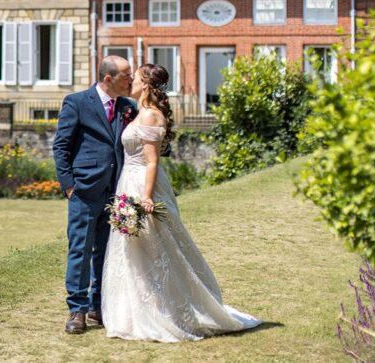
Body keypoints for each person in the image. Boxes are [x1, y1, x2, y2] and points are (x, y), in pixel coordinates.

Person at [100, 63, 262, 341]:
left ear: (147, 85)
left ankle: (168, 311)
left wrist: (147, 197)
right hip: (129, 181)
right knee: (135, 249)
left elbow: (152, 162)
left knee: (157, 247)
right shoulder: (140, 112)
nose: (131, 83)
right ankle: (133, 311)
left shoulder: (151, 116)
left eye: (136, 79)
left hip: (143, 185)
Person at [52, 55, 137, 335]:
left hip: (116, 190)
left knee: (106, 251)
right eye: (127, 75)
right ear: (108, 78)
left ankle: (97, 306)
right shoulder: (76, 102)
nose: (131, 79)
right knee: (80, 249)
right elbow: (61, 145)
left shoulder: (128, 106)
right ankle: (76, 309)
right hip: (85, 190)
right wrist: (68, 185)